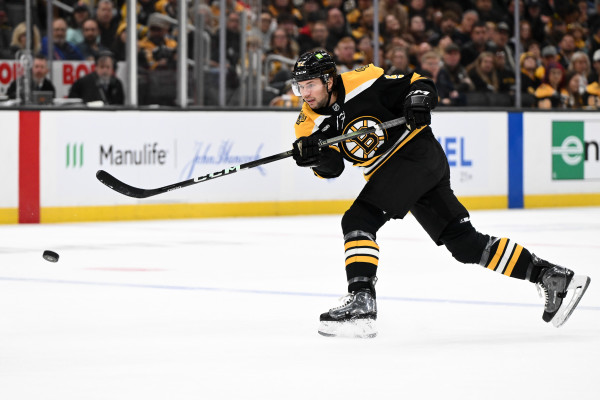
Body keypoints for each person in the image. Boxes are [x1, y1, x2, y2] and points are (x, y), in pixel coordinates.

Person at [289, 50, 590, 338]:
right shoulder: (307, 124)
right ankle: (550, 275)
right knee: (465, 245)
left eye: (310, 84)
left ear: (329, 80)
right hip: (400, 171)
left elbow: (418, 82)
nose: (305, 93)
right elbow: (333, 169)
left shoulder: (364, 80)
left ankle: (361, 300)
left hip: (416, 154)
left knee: (359, 219)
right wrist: (315, 157)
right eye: (300, 86)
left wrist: (417, 100)